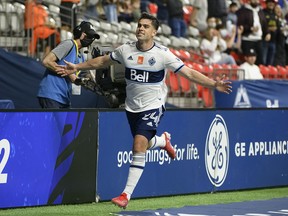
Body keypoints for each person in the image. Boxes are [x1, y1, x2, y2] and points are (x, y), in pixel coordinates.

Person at [56, 12, 232, 208]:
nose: (140, 28)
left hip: (154, 105)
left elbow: (189, 73)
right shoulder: (126, 50)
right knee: (145, 143)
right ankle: (163, 141)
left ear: (154, 32)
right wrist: (76, 67)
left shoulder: (162, 54)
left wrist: (213, 83)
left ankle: (125, 195)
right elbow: (102, 61)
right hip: (132, 107)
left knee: (138, 144)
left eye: (146, 26)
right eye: (139, 25)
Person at [37, 21, 100, 108]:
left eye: (92, 37)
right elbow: (47, 61)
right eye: (89, 36)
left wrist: (87, 82)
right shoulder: (69, 44)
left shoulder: (80, 57)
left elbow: (73, 78)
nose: (91, 39)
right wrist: (65, 71)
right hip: (52, 94)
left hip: (63, 97)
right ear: (82, 35)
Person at [236, 0, 270, 65]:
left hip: (259, 39)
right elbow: (240, 25)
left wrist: (267, 33)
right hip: (247, 39)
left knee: (260, 61)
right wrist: (250, 28)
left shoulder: (260, 11)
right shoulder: (243, 11)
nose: (256, 1)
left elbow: (264, 23)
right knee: (248, 61)